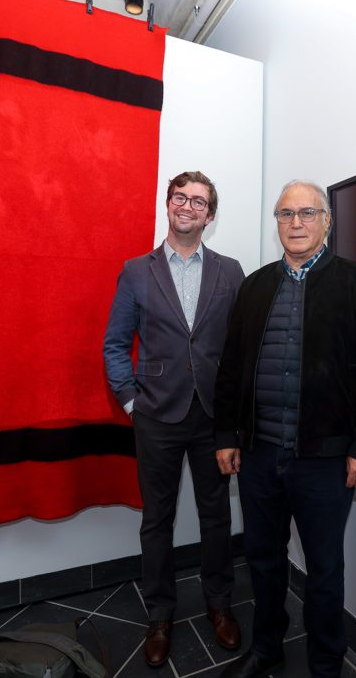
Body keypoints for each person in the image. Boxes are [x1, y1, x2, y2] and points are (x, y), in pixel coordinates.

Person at [213, 180, 356, 677]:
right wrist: (227, 435)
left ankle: (325, 663)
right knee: (264, 561)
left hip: (326, 460)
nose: (296, 223)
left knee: (324, 571)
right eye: (286, 214)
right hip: (259, 455)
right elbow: (231, 368)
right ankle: (266, 648)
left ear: (327, 222)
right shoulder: (255, 286)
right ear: (277, 223)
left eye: (307, 213)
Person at [103, 171, 245, 668]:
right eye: (180, 197)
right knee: (156, 520)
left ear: (210, 214)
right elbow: (115, 344)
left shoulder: (231, 272)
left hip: (212, 419)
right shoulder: (136, 271)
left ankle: (219, 605)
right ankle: (160, 616)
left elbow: (240, 348)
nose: (188, 206)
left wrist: (235, 415)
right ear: (168, 205)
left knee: (216, 517)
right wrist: (131, 403)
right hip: (157, 418)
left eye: (199, 201)